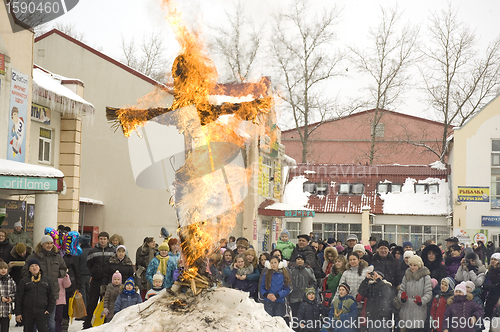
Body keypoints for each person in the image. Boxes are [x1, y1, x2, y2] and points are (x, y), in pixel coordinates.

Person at [22, 234, 67, 332]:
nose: (49, 245)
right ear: (42, 244)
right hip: (36, 294)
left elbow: (64, 269)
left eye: (51, 243)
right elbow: (24, 271)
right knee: (33, 322)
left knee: (50, 321)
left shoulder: (57, 257)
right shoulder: (34, 256)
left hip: (52, 293)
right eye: (47, 243)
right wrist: (34, 276)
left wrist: (59, 274)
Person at [83, 232, 115, 329]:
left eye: (104, 239)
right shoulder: (93, 251)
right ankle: (88, 324)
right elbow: (89, 264)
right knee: (92, 303)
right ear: (98, 239)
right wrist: (94, 271)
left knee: (105, 303)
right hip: (96, 281)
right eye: (101, 239)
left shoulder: (112, 251)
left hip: (107, 281)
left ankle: (104, 324)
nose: (103, 241)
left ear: (107, 240)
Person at [15, 258, 55, 332]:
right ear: (29, 269)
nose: (34, 267)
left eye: (36, 265)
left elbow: (52, 296)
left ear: (39, 267)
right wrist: (18, 313)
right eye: (32, 266)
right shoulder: (24, 281)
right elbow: (18, 298)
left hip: (42, 312)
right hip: (27, 312)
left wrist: (49, 309)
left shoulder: (47, 280)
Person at [397, 255, 432, 332]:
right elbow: (401, 290)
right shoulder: (406, 276)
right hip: (406, 309)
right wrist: (402, 298)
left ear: (419, 266)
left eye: (415, 265)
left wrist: (421, 301)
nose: (412, 267)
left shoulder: (425, 277)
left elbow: (428, 293)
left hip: (419, 310)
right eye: (410, 265)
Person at [289, 253, 317, 318]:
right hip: (294, 298)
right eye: (298, 259)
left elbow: (314, 282)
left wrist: (309, 290)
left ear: (304, 261)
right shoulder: (291, 271)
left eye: (301, 259)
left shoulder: (308, 270)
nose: (300, 261)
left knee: (305, 317)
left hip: (305, 299)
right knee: (295, 317)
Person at [483, 253, 500, 318]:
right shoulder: (488, 270)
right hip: (489, 294)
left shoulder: (496, 271)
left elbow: (495, 281)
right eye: (492, 259)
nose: (493, 261)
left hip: (496, 294)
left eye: (495, 259)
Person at [0, 260, 15, 332]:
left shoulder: (11, 281)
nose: (3, 270)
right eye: (1, 268)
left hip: (6, 311)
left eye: (5, 268)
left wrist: (11, 298)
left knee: (5, 329)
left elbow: (15, 293)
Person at [78, 235, 92, 308]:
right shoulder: (92, 251)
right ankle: (89, 310)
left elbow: (77, 264)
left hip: (82, 274)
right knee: (89, 293)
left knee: (82, 293)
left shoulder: (79, 252)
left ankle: (83, 311)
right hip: (91, 274)